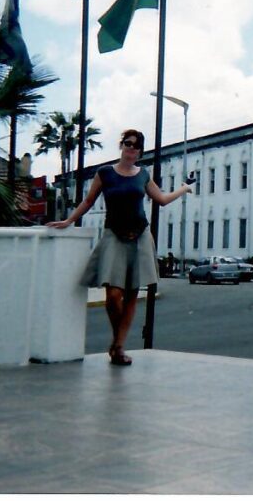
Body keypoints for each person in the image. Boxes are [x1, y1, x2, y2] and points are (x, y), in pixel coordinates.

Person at [48, 129, 196, 366]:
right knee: (113, 295)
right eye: (127, 144)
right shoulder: (105, 173)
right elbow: (88, 201)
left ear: (140, 152)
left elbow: (162, 199)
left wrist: (184, 188)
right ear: (121, 146)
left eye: (136, 146)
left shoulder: (143, 175)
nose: (131, 149)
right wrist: (68, 221)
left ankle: (118, 347)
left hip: (140, 236)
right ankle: (118, 339)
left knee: (131, 294)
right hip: (114, 235)